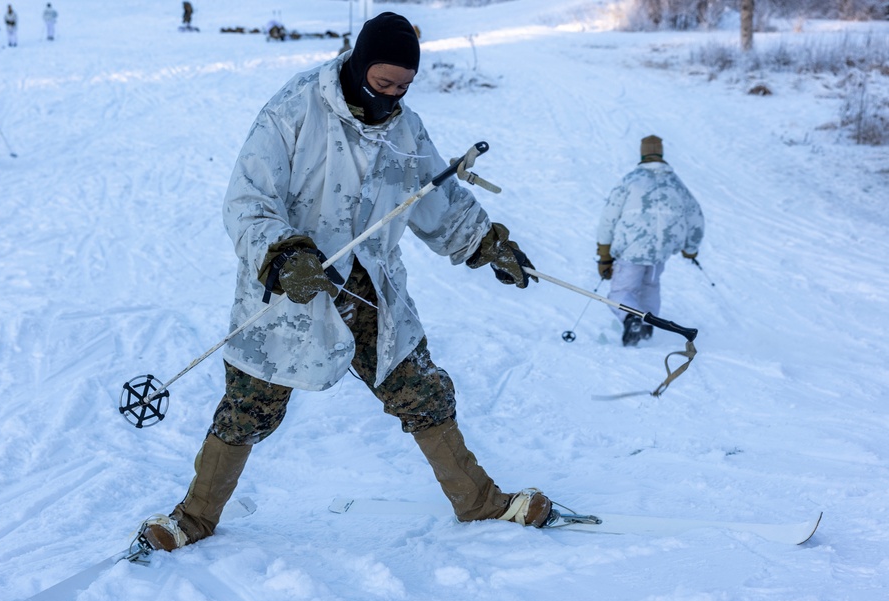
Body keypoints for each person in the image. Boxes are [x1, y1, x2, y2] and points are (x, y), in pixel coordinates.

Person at [138, 11, 553, 553]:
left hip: (368, 288)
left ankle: (481, 503)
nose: (392, 96)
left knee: (421, 389)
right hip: (292, 286)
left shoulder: (404, 128)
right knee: (248, 406)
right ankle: (191, 519)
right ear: (359, 66)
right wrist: (284, 255)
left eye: (404, 86)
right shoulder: (295, 108)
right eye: (383, 84)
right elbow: (248, 199)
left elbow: (434, 197)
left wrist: (483, 243)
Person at [596, 135, 704, 346]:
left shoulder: (630, 181)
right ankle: (646, 328)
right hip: (660, 253)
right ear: (661, 153)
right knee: (650, 287)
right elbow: (696, 218)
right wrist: (690, 249)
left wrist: (604, 255)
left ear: (642, 153)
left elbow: (608, 219)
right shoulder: (676, 184)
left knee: (622, 291)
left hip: (630, 251)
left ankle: (631, 318)